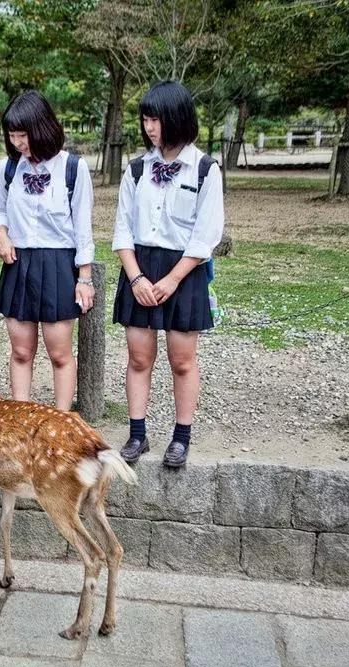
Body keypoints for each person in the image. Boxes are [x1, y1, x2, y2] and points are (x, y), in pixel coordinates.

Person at [111, 80, 224, 468]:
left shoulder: (206, 169)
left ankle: (181, 436)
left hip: (184, 272)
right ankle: (137, 434)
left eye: (155, 120)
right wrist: (136, 278)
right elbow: (122, 229)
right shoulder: (137, 168)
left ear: (176, 119)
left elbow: (206, 235)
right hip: (139, 268)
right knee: (139, 357)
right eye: (145, 120)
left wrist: (173, 279)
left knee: (182, 359)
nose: (149, 128)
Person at [0, 90, 95, 412]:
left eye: (24, 135)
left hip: (59, 264)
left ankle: (60, 421)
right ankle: (22, 420)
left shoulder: (73, 168)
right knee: (21, 351)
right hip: (18, 263)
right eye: (13, 135)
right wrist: (1, 234)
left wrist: (84, 278)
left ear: (42, 129)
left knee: (59, 353)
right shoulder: (9, 168)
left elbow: (83, 228)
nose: (19, 142)